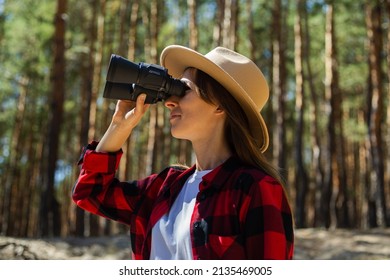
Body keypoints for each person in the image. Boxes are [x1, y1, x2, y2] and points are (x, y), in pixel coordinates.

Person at [72, 45, 294, 260]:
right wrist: (119, 127)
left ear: (219, 105)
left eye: (183, 90)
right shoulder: (164, 188)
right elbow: (89, 192)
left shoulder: (255, 188)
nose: (169, 101)